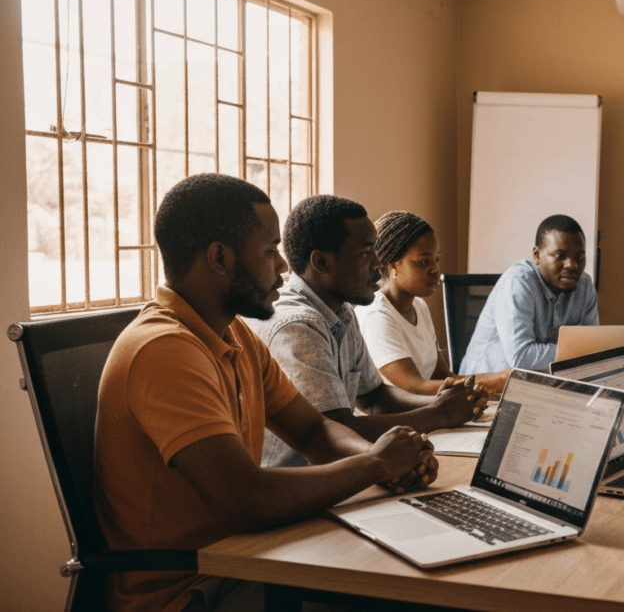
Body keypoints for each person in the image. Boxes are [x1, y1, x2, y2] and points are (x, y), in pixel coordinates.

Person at [94, 174, 438, 612]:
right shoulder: (165, 350)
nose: (282, 267)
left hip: (247, 561)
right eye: (269, 251)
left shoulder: (234, 333)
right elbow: (247, 502)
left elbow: (315, 431)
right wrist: (374, 464)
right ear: (219, 257)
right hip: (195, 592)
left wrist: (386, 466)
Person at [246, 196, 487, 468]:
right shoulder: (297, 325)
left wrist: (441, 401)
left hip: (341, 473)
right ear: (322, 262)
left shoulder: (342, 310)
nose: (378, 263)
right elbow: (337, 431)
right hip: (301, 486)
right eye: (365, 253)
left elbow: (374, 398)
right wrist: (437, 415)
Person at [355, 210, 510, 395]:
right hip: (397, 419)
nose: (436, 270)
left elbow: (443, 376)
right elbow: (415, 386)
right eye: (423, 262)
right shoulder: (377, 315)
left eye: (436, 260)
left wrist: (491, 388)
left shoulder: (419, 306)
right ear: (394, 266)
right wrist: (497, 379)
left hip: (427, 410)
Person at [460, 214, 599, 373]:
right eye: (560, 256)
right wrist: (581, 351)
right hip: (483, 389)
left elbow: (592, 349)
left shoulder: (585, 286)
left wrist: (587, 351)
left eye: (579, 257)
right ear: (537, 255)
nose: (572, 265)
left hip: (539, 384)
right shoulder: (517, 283)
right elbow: (521, 358)